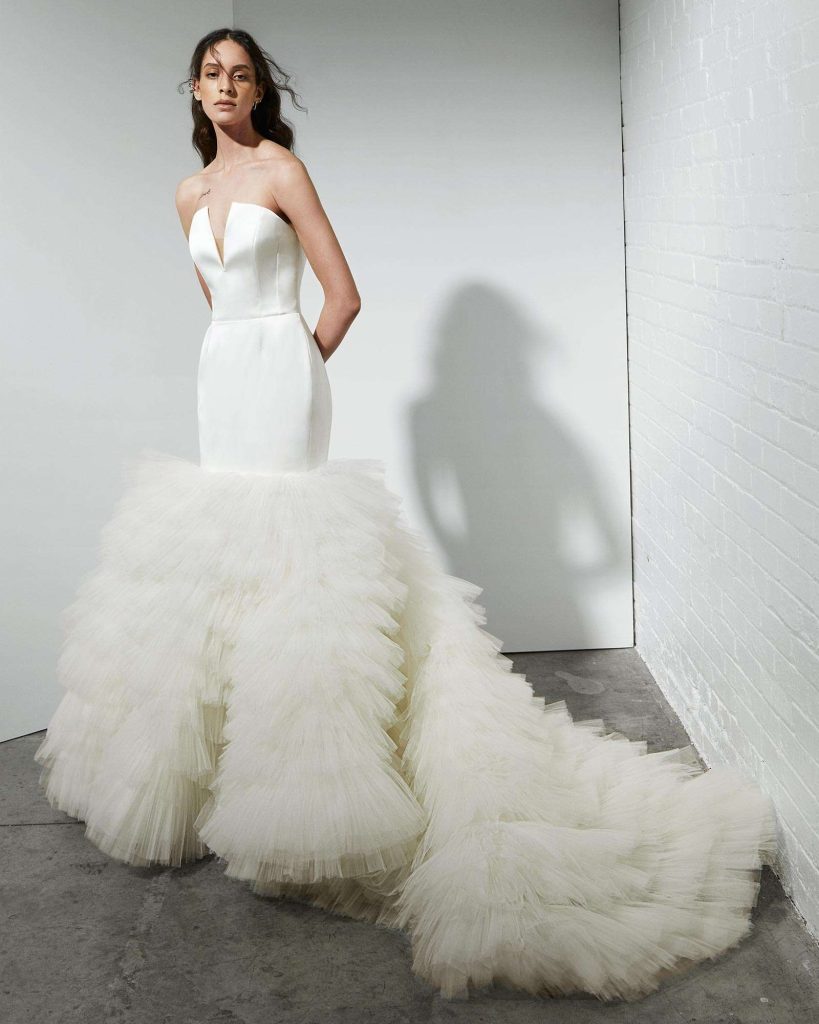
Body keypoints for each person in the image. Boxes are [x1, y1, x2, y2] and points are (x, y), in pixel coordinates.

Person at [35, 27, 778, 1003]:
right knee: (225, 559)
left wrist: (292, 365)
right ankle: (223, 781)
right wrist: (240, 354)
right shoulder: (187, 192)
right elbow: (215, 300)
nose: (224, 86)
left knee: (293, 561)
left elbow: (341, 297)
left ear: (259, 91)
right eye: (211, 73)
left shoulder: (281, 171)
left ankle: (306, 790)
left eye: (241, 74)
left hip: (281, 380)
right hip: (220, 379)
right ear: (194, 88)